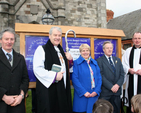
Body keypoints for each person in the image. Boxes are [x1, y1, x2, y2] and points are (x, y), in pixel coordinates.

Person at [33, 26, 73, 113]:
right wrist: (54, 76)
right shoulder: (42, 49)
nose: (57, 37)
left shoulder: (60, 50)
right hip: (49, 91)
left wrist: (70, 60)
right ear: (49, 35)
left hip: (63, 88)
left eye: (59, 35)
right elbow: (37, 69)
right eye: (55, 35)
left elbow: (65, 68)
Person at [0, 27, 29, 113]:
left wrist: (21, 95)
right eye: (6, 39)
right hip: (1, 104)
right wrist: (4, 97)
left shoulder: (20, 58)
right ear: (1, 40)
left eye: (12, 39)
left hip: (18, 104)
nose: (9, 42)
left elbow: (25, 79)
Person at [72, 44, 102, 113]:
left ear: (89, 51)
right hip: (82, 96)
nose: (85, 52)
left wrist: (96, 91)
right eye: (83, 51)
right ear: (80, 52)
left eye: (87, 50)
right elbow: (75, 79)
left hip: (93, 95)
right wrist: (84, 92)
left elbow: (99, 78)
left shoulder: (94, 62)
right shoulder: (76, 63)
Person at [96, 41, 124, 113]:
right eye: (107, 48)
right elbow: (100, 75)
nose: (109, 49)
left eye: (111, 48)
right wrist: (111, 87)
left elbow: (122, 74)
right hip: (106, 92)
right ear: (103, 50)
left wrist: (117, 85)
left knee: (116, 110)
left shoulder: (118, 60)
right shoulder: (99, 61)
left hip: (117, 92)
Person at [122, 32, 141, 113]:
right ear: (132, 39)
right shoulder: (128, 51)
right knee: (131, 102)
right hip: (131, 80)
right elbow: (123, 64)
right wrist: (129, 70)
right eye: (135, 38)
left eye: (139, 38)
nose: (137, 40)